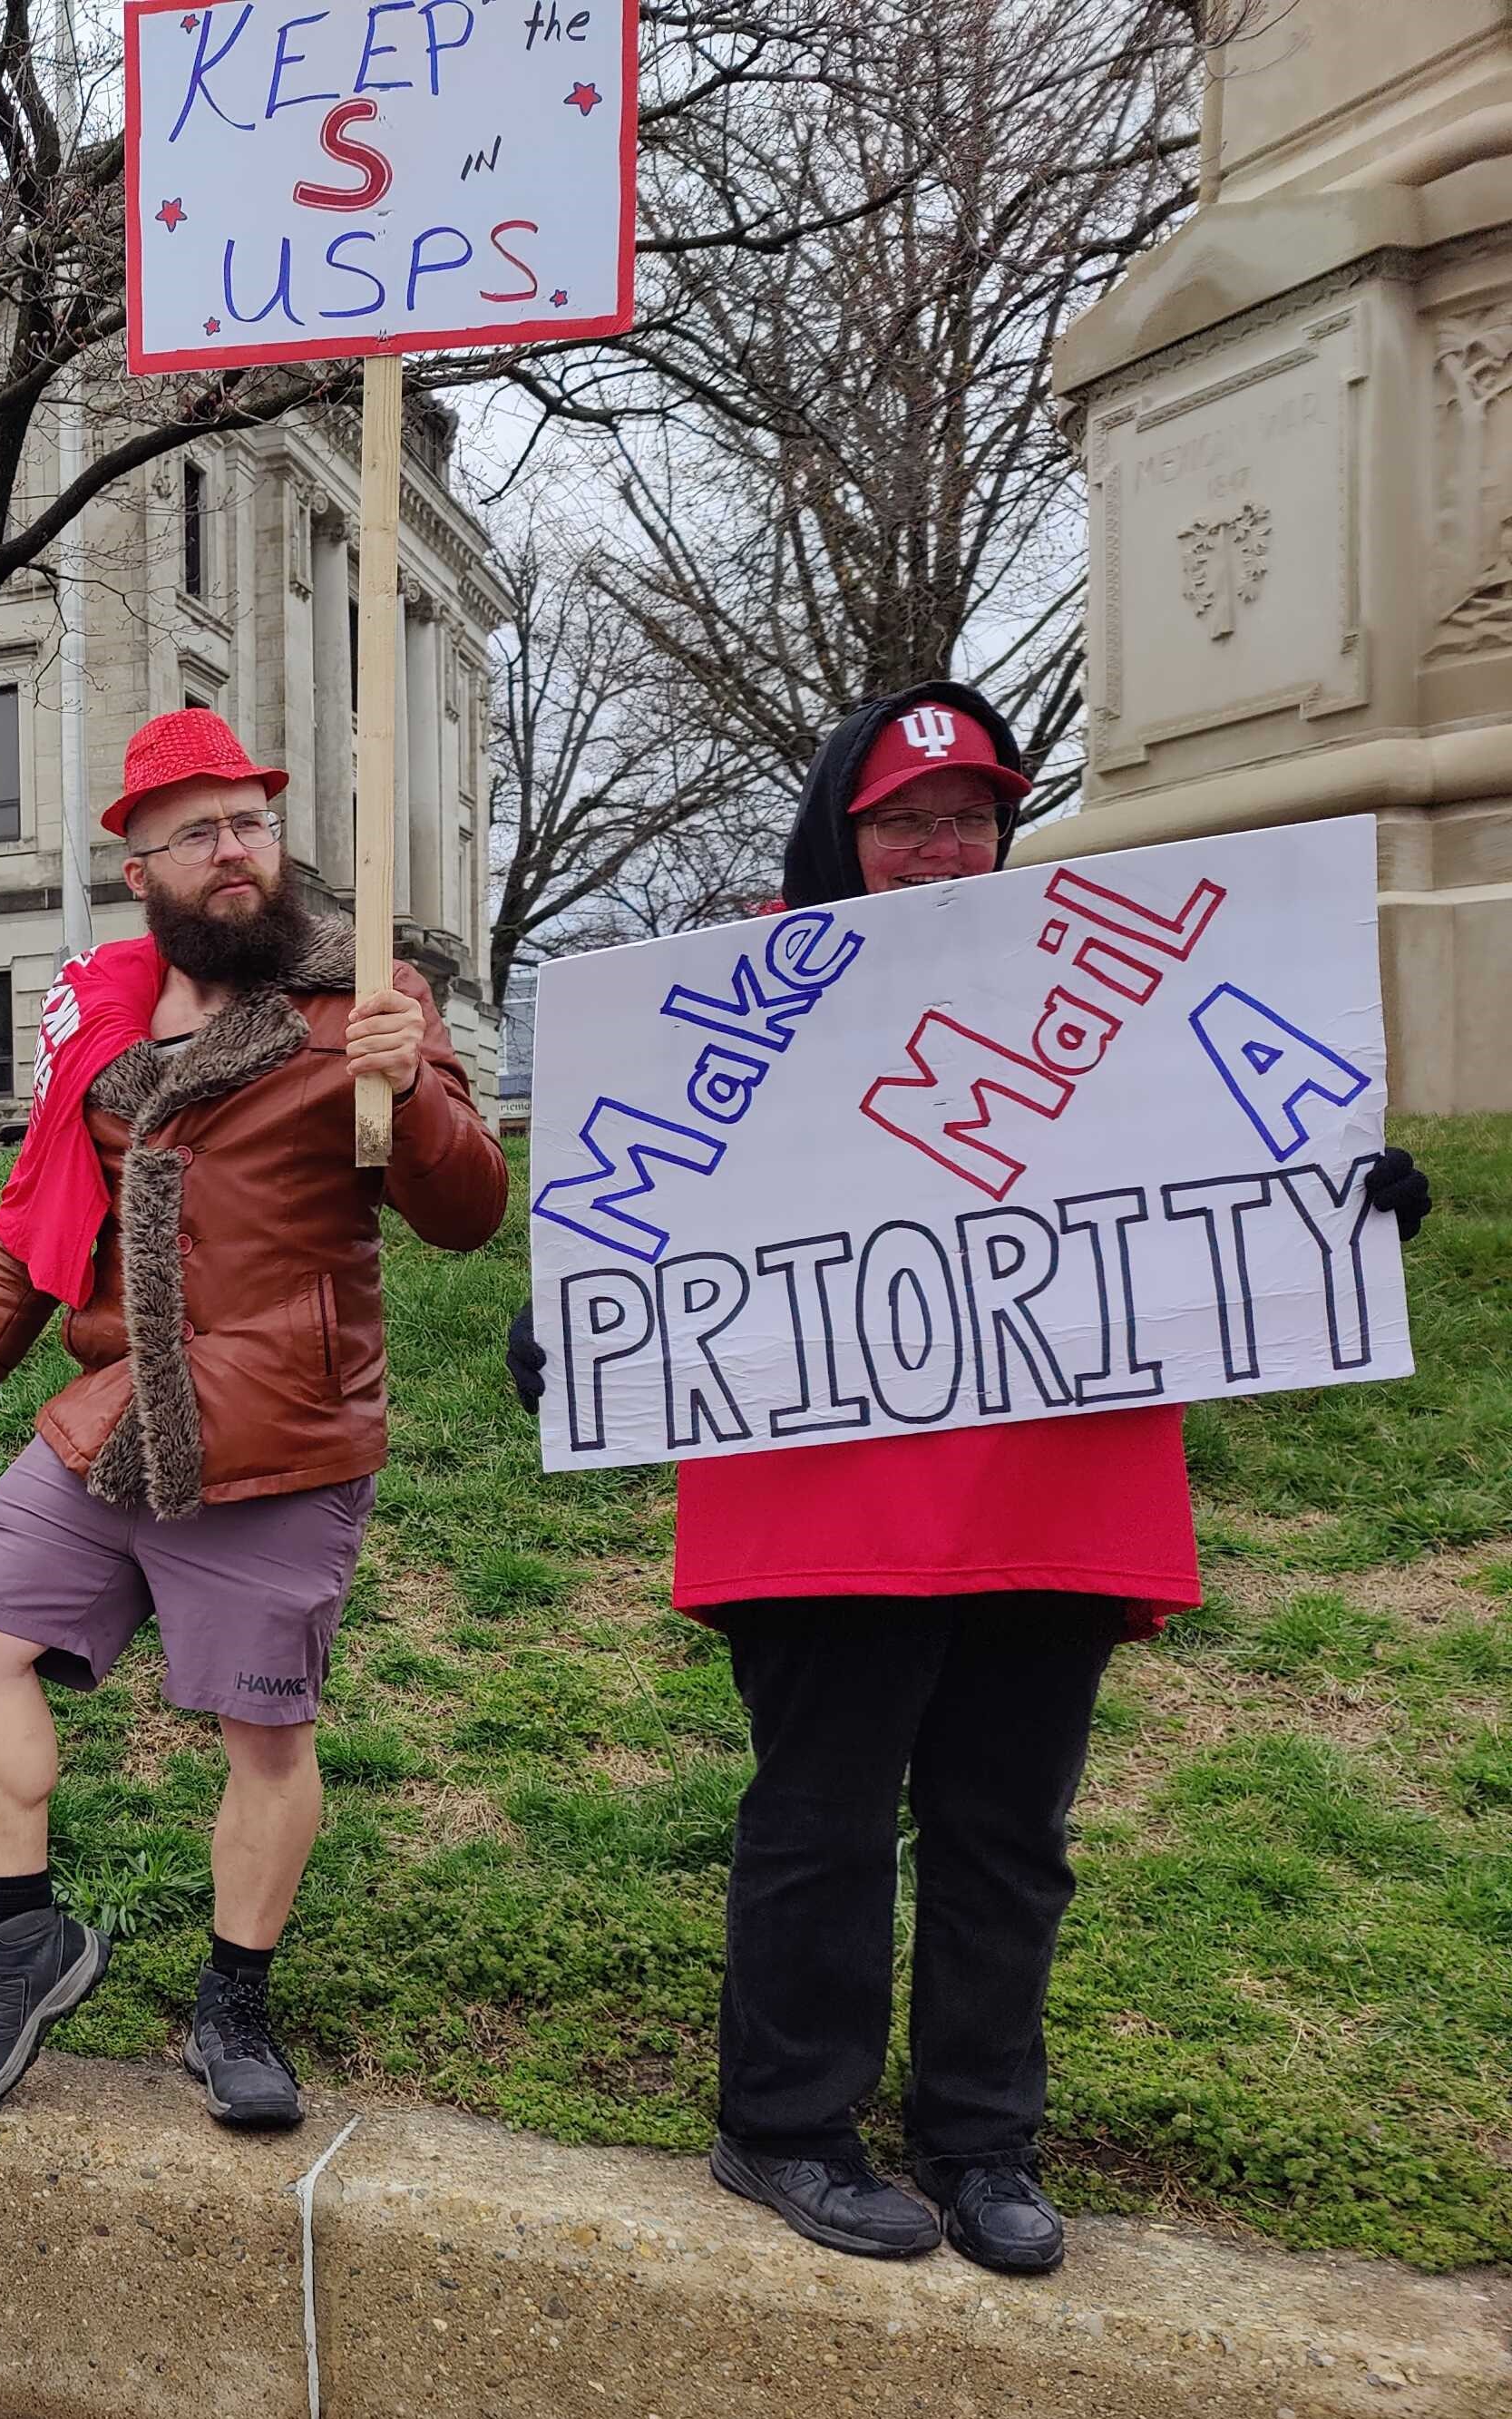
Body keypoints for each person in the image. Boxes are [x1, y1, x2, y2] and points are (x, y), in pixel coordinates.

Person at [503, 682, 1435, 2276]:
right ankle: (786, 2125)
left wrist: (1338, 1206)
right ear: (841, 837)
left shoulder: (1124, 979)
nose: (944, 849)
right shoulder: (733, 1008)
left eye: (971, 817)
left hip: (1051, 1482)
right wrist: (583, 1313)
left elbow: (1230, 1135)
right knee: (825, 1818)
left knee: (1012, 1830)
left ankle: (981, 2139)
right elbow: (640, 1187)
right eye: (905, 823)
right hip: (821, 1499)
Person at [0, 708, 506, 2130]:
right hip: (114, 1418)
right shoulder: (101, 1021)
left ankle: (233, 2003)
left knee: (264, 1741)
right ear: (139, 867)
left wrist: (411, 1087)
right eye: (198, 833)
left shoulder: (365, 999)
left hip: (284, 1427)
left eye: (251, 824)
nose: (234, 852)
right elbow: (39, 1227)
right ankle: (23, 1939)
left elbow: (467, 1213)